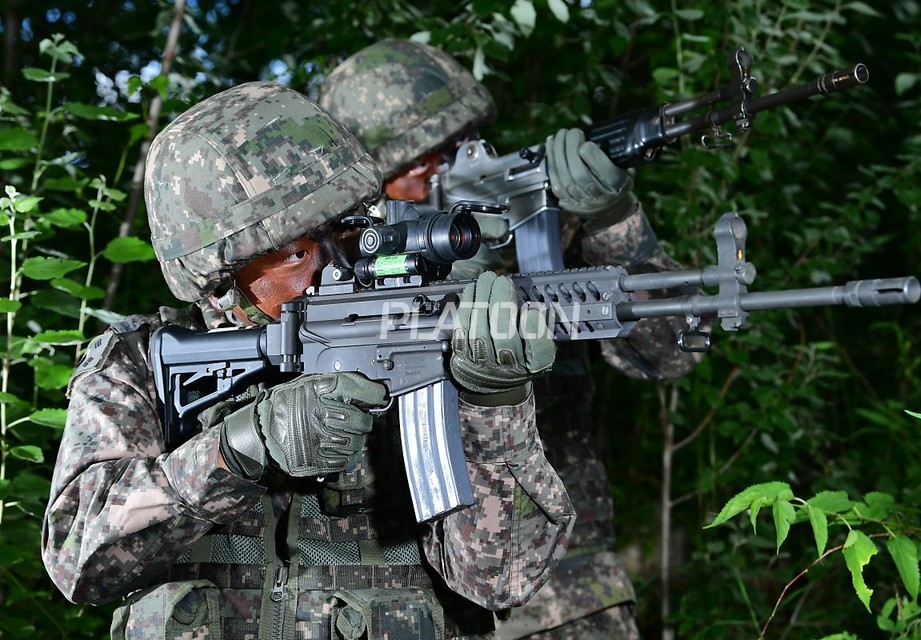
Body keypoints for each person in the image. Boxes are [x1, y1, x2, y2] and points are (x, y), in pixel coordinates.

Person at [41, 81, 576, 639]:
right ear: (219, 281)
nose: (338, 269)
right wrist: (239, 448)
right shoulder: (139, 365)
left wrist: (494, 400)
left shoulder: (425, 338)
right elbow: (76, 558)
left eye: (348, 234)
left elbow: (505, 580)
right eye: (298, 253)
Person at [319, 39, 703, 640]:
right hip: (395, 607)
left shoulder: (539, 229)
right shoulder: (325, 276)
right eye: (419, 161)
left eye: (457, 146)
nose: (448, 168)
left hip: (564, 598)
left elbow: (669, 349)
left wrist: (611, 218)